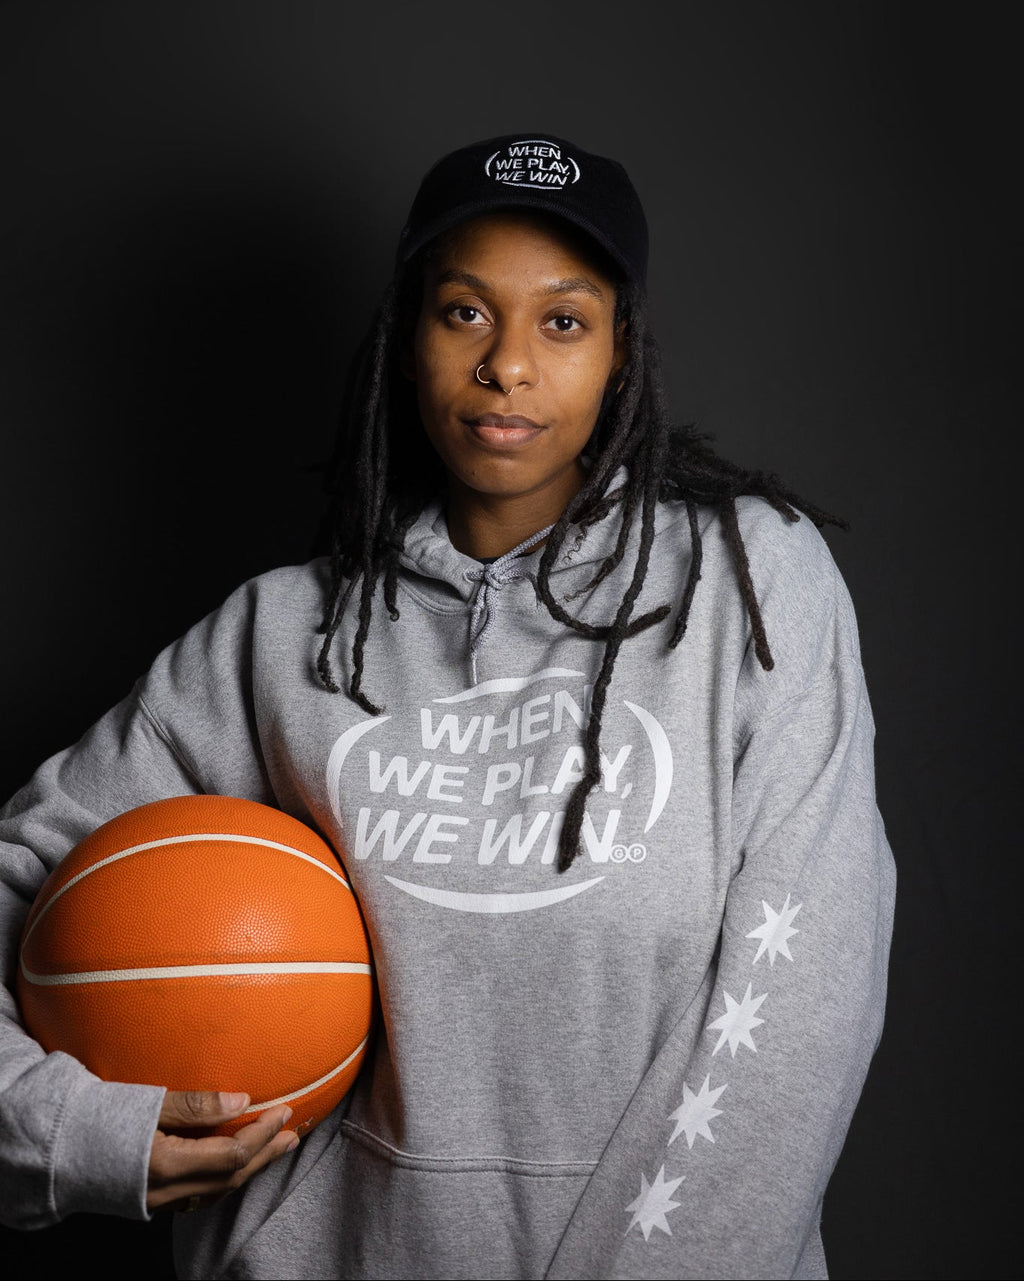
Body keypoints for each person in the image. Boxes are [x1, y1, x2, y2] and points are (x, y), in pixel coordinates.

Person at [0, 132, 896, 1280]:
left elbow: (805, 1002)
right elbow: (23, 881)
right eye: (464, 312)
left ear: (622, 352)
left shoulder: (751, 588)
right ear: (405, 333)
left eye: (562, 321)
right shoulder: (282, 640)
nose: (507, 366)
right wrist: (67, 1133)